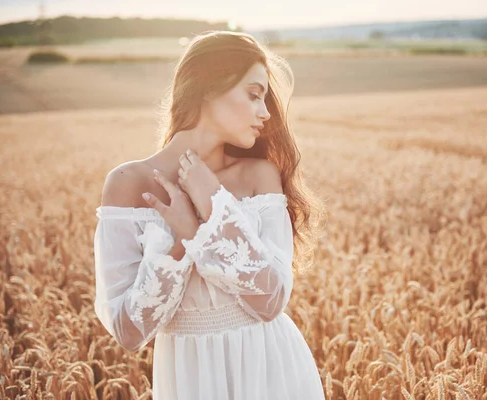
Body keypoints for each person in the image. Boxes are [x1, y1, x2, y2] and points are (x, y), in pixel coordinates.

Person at [92, 30, 327, 399]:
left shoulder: (259, 175)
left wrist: (212, 205)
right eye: (253, 95)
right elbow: (128, 330)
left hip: (272, 370)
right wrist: (184, 242)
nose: (265, 112)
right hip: (190, 379)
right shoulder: (127, 184)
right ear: (206, 87)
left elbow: (271, 300)